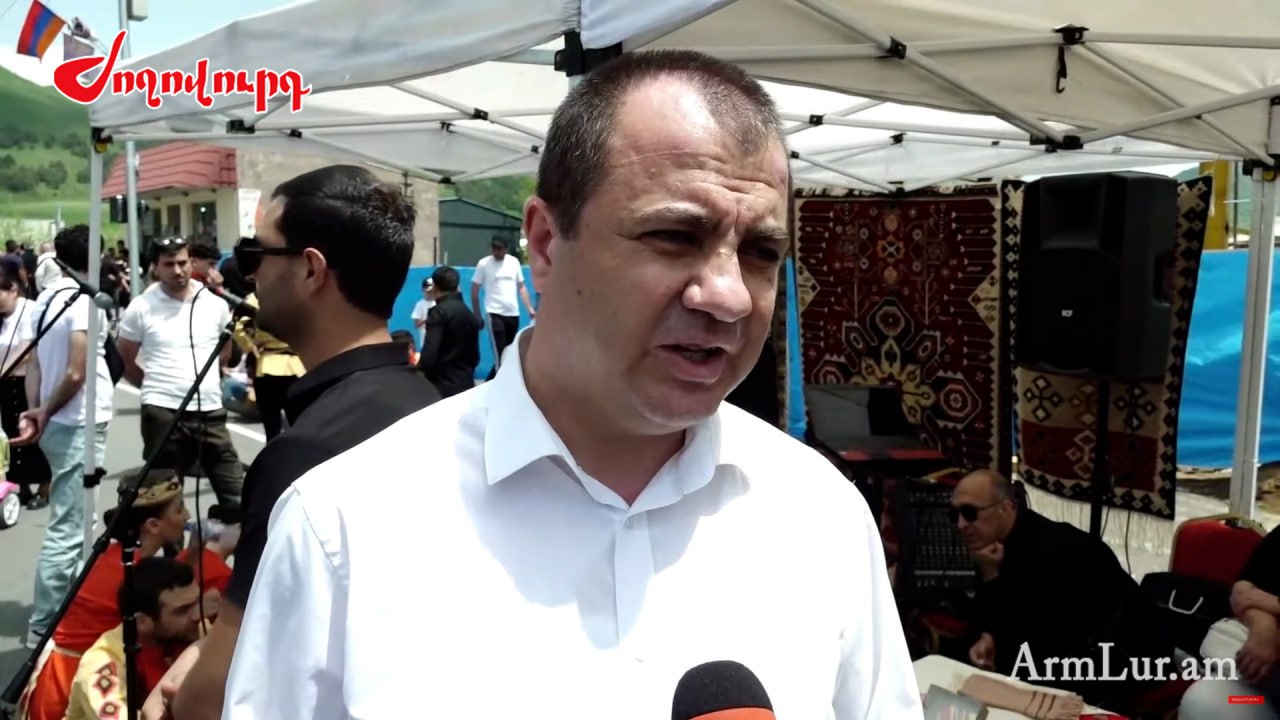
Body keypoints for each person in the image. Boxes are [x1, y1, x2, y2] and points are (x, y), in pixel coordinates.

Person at [219, 51, 919, 720]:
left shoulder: (822, 516)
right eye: (675, 236)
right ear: (547, 243)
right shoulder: (343, 526)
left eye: (762, 252)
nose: (729, 296)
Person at [143, 165, 442, 720]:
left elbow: (215, 691)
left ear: (310, 269)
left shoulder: (302, 455)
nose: (250, 272)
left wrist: (190, 681)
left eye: (257, 254)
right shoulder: (433, 405)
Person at [955, 469, 1173, 713]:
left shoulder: (1054, 552)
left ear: (1005, 508)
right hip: (1067, 647)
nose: (961, 525)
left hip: (1125, 656)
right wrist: (988, 634)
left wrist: (992, 579)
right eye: (954, 515)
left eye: (969, 513)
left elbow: (1036, 640)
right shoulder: (994, 547)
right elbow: (1002, 618)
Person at [17, 469, 228, 720]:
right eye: (179, 508)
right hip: (75, 676)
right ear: (153, 525)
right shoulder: (124, 572)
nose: (187, 516)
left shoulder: (122, 556)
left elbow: (171, 589)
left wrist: (198, 552)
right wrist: (216, 554)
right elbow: (167, 601)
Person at [17, 224, 115, 651]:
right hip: (78, 420)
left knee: (78, 518)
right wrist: (45, 411)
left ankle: (72, 608)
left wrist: (36, 410)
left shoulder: (43, 301)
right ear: (96, 256)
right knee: (69, 527)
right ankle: (44, 625)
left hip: (57, 421)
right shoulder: (84, 302)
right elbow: (77, 372)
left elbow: (36, 365)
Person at [115, 237, 244, 513]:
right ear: (155, 268)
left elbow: (224, 352)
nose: (178, 270)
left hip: (210, 411)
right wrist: (153, 387)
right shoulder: (141, 306)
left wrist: (207, 381)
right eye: (169, 264)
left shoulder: (215, 303)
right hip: (162, 413)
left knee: (236, 495)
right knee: (165, 501)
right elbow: (123, 359)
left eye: (183, 262)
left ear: (192, 262)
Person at [64, 557, 204, 720]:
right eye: (183, 610)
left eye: (198, 603)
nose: (197, 615)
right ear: (142, 622)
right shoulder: (103, 663)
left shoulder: (186, 636)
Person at [1178, 525, 1280, 718]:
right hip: (1266, 687)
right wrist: (1263, 627)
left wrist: (1269, 602)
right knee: (1205, 700)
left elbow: (1251, 596)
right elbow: (1241, 593)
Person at [0, 267, 52, 509]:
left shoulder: (30, 310)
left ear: (13, 290)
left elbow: (28, 349)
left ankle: (44, 485)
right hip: (5, 383)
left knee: (33, 433)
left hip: (28, 381)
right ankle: (20, 486)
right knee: (10, 434)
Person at [231, 291, 304, 441]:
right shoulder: (299, 294)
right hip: (297, 367)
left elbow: (238, 327)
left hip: (266, 366)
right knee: (299, 423)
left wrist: (250, 346)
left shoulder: (256, 297)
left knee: (271, 427)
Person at [471, 236, 535, 379]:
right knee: (499, 354)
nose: (496, 251)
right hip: (494, 312)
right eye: (494, 248)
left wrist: (530, 308)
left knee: (509, 353)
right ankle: (500, 384)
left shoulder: (513, 262)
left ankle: (490, 382)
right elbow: (475, 289)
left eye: (499, 248)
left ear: (506, 249)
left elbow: (521, 287)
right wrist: (477, 314)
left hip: (512, 313)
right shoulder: (484, 264)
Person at [417, 265, 482, 398]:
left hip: (441, 388)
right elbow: (475, 357)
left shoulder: (439, 313)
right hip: (466, 385)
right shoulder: (469, 314)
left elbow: (430, 354)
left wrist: (419, 372)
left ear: (435, 287)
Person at [410, 276, 434, 348]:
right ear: (423, 290)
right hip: (425, 343)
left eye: (431, 291)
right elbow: (416, 324)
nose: (430, 294)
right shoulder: (420, 304)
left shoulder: (440, 302)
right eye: (428, 292)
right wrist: (428, 319)